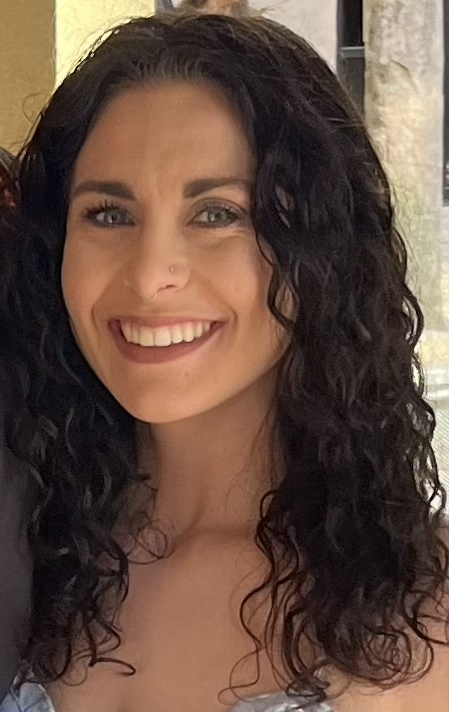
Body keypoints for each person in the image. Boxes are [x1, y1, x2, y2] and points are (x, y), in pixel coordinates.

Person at [0, 10, 447, 712]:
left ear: (320, 252)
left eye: (217, 214)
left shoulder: (422, 608)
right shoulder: (31, 557)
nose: (150, 275)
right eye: (108, 214)